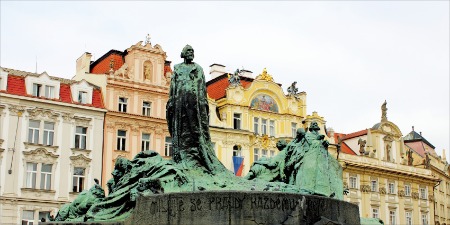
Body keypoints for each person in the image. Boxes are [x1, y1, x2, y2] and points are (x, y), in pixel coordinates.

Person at [166, 45, 216, 172]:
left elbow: (202, 87)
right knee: (180, 128)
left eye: (192, 51)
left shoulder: (198, 68)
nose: (191, 53)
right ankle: (181, 156)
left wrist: (203, 102)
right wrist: (171, 100)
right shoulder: (177, 68)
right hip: (179, 101)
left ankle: (201, 157)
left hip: (194, 103)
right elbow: (173, 86)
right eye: (189, 51)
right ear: (183, 53)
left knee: (196, 129)